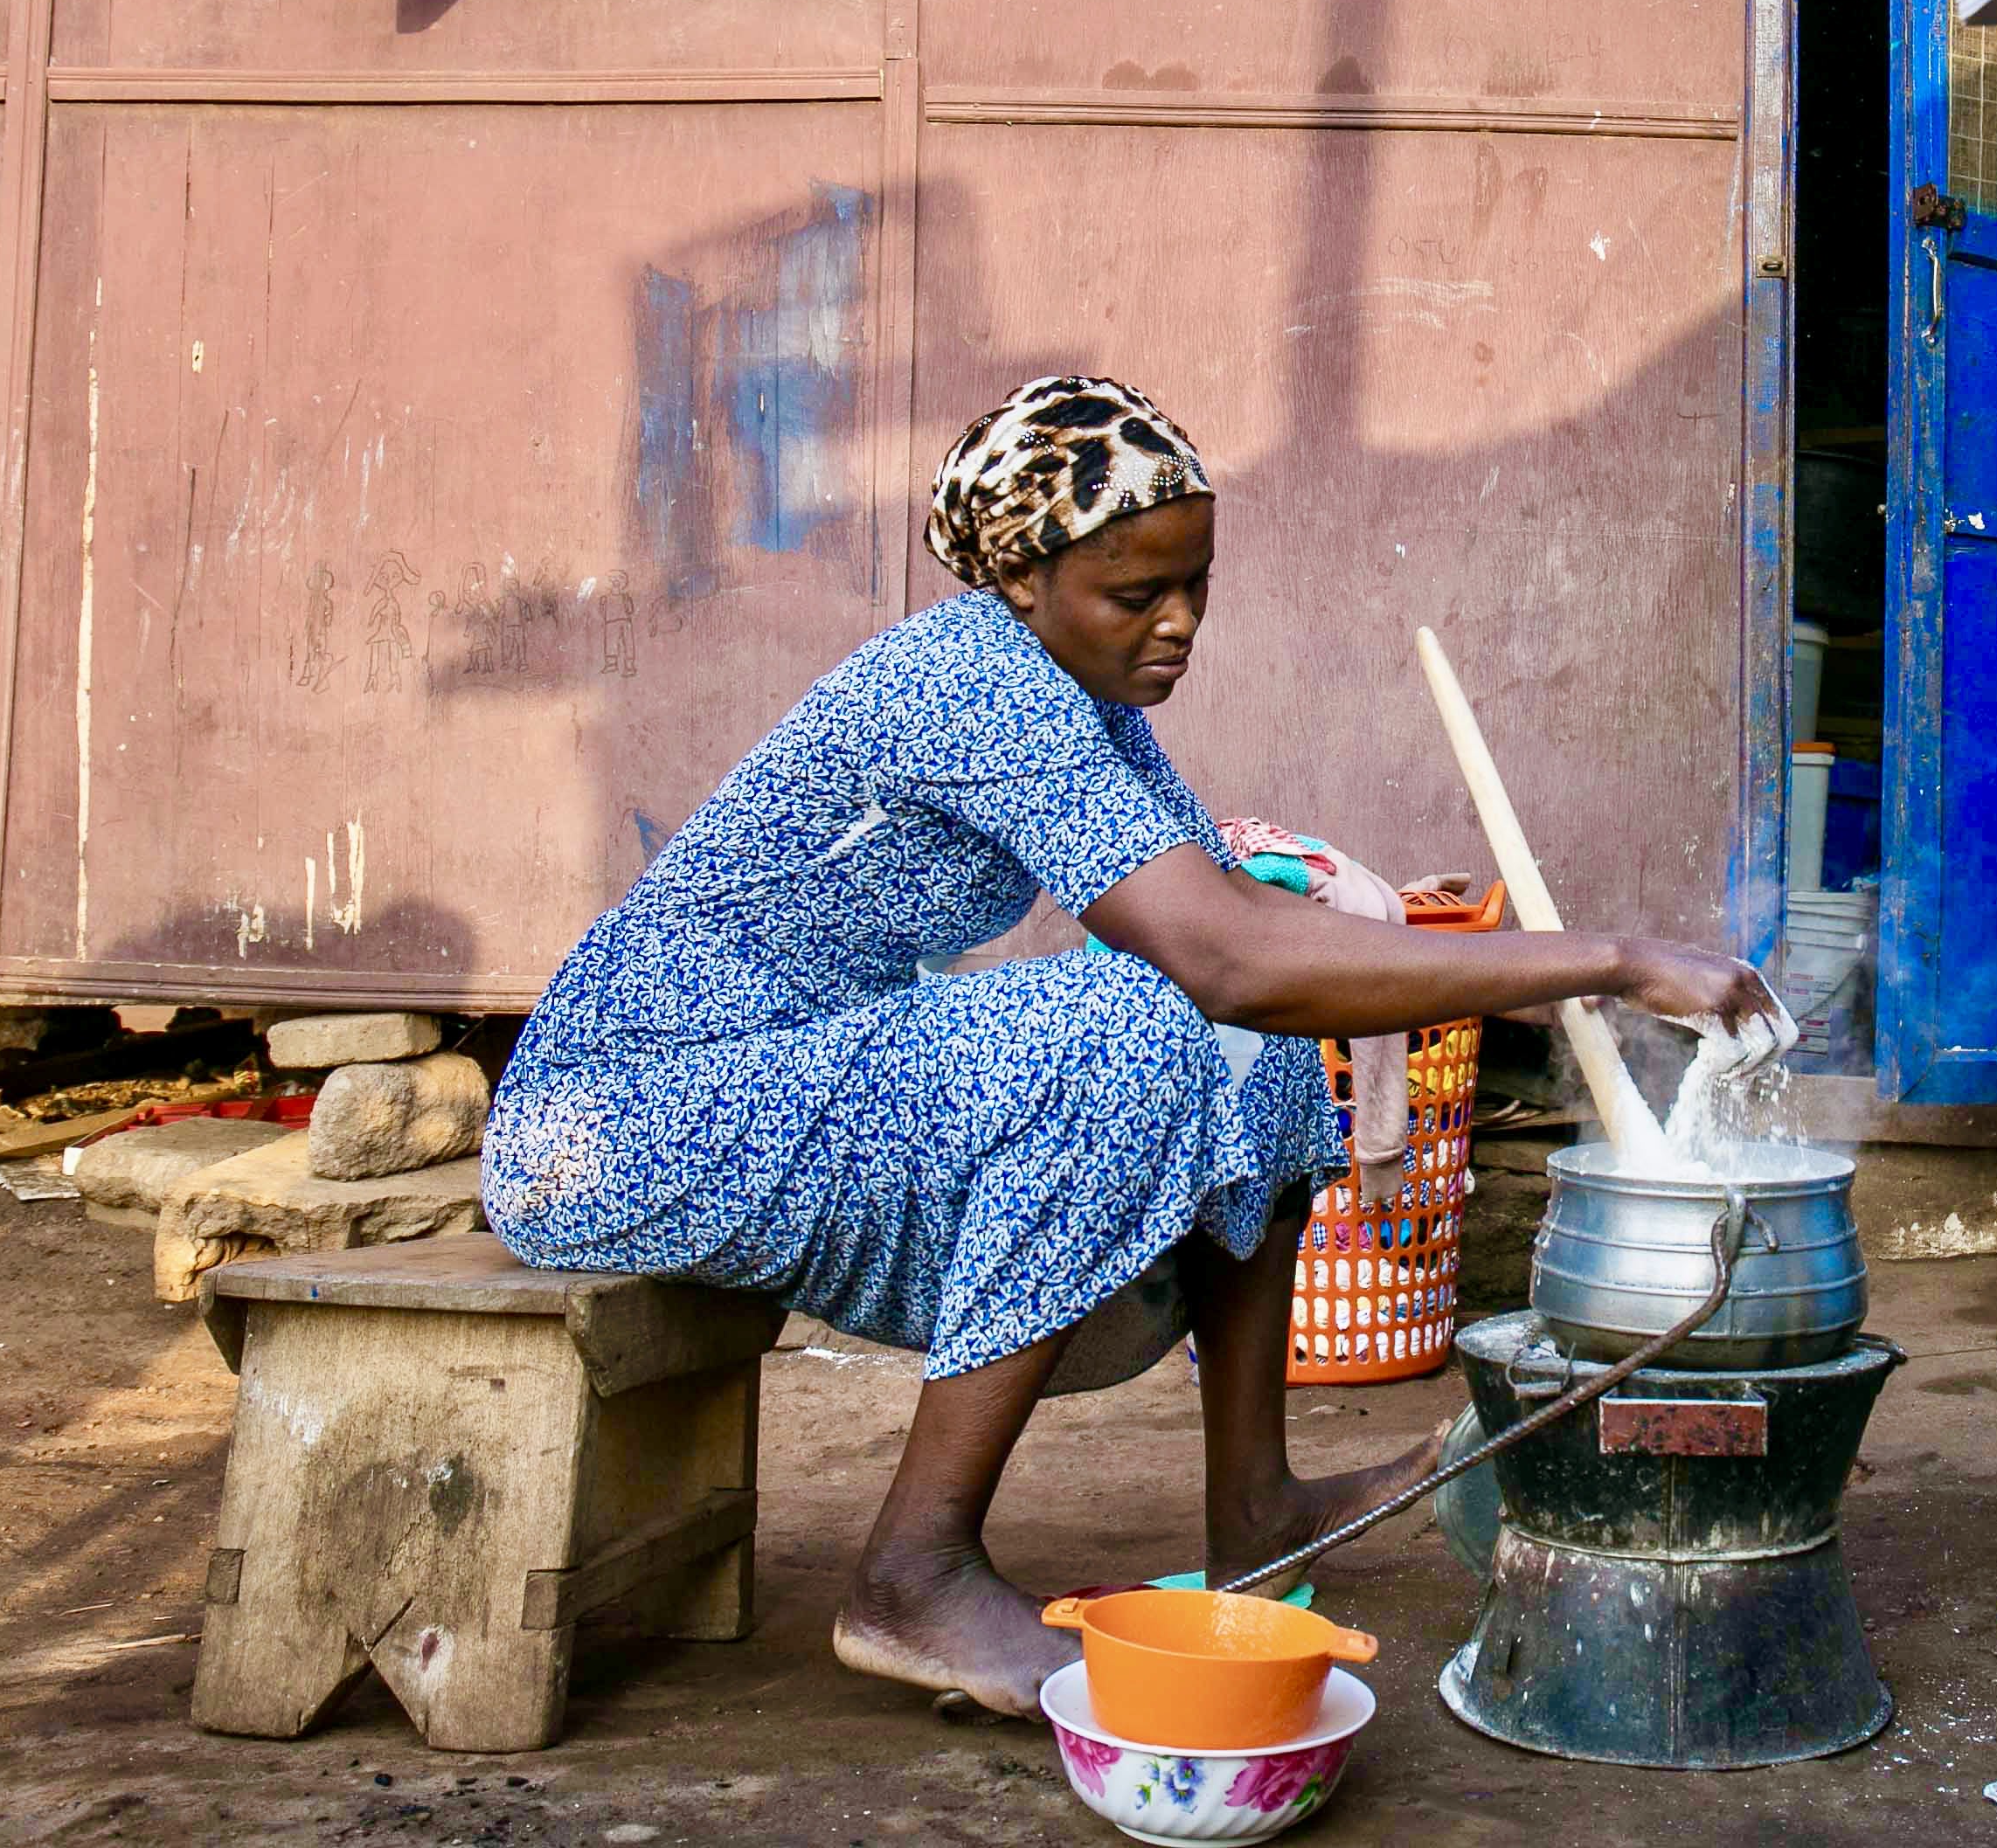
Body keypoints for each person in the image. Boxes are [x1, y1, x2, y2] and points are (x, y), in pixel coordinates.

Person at [482, 373, 1779, 1717]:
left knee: (1252, 1049)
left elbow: (1235, 937)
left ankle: (1258, 1509)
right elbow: (1217, 956)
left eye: (1195, 586)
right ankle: (912, 1575)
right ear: (1024, 583)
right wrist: (1616, 959)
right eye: (1135, 594)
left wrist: (1351, 939)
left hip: (790, 1082)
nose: (1177, 625)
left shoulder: (1093, 704)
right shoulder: (965, 678)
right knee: (1135, 1024)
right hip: (616, 1130)